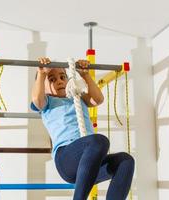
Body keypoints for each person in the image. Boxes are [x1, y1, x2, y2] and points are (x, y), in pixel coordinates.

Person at [31, 57, 135, 200]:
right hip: (66, 159)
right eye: (52, 79)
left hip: (89, 162)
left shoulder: (78, 98)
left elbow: (98, 99)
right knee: (99, 141)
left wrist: (85, 74)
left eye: (62, 77)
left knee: (125, 160)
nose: (60, 81)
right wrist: (42, 73)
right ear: (44, 85)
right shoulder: (47, 103)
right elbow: (37, 99)